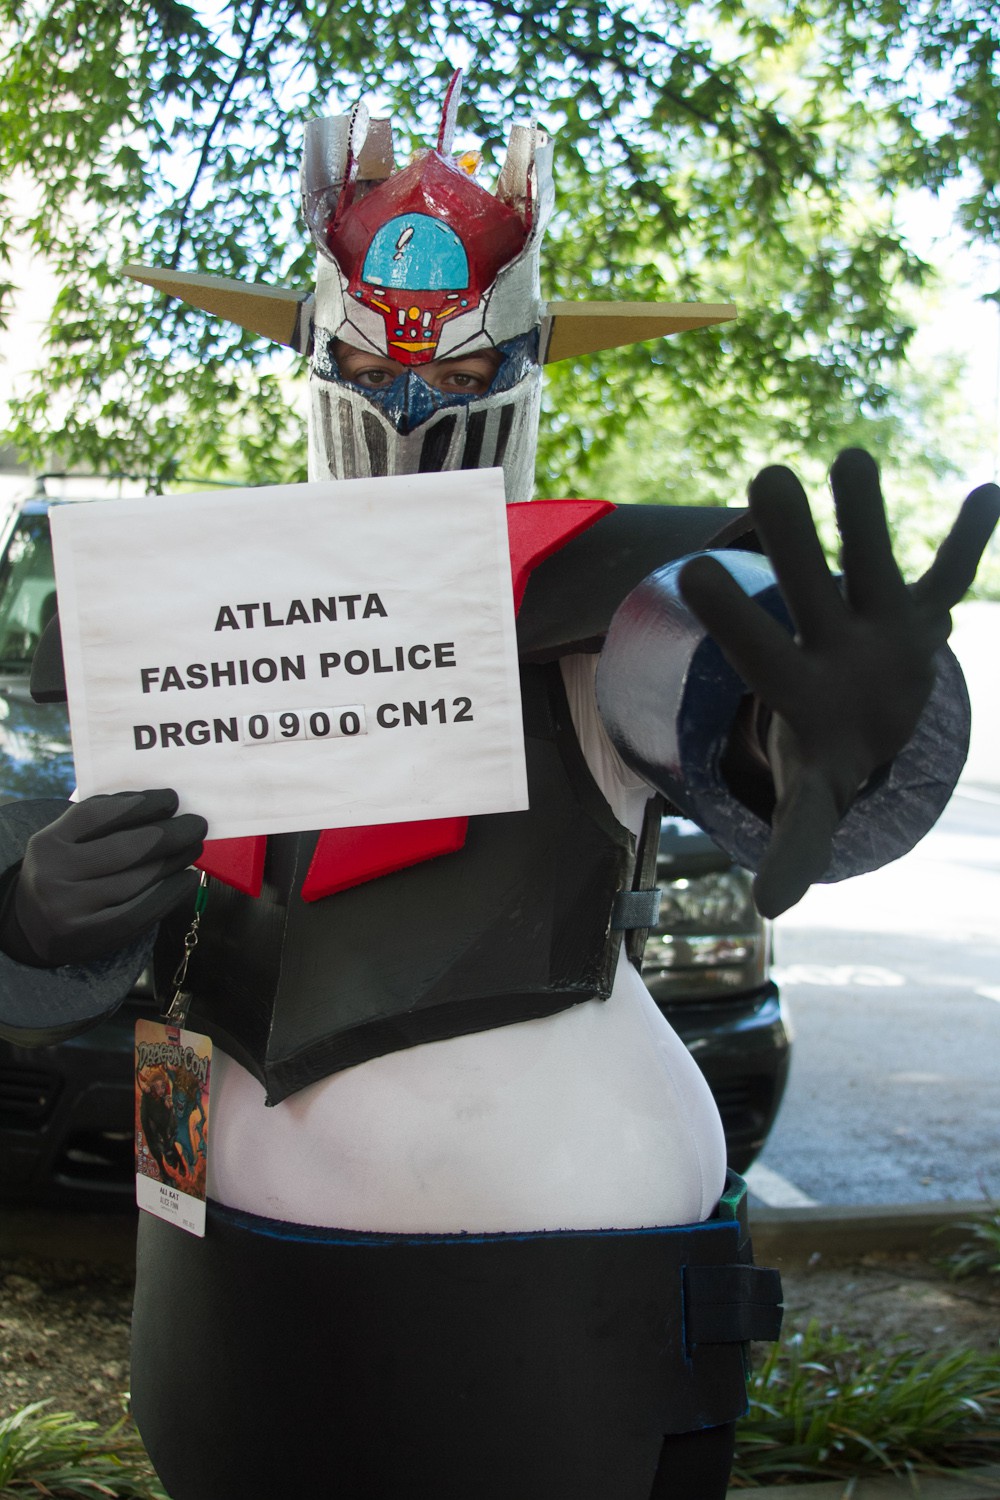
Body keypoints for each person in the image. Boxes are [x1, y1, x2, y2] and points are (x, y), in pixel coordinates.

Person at [0, 74, 996, 1500]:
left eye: (462, 376)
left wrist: (814, 721)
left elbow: (699, 674)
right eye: (368, 365)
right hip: (222, 1296)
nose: (410, 402)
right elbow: (92, 870)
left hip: (540, 1322)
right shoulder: (197, 606)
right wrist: (35, 911)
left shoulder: (594, 590)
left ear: (525, 365)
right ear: (312, 356)